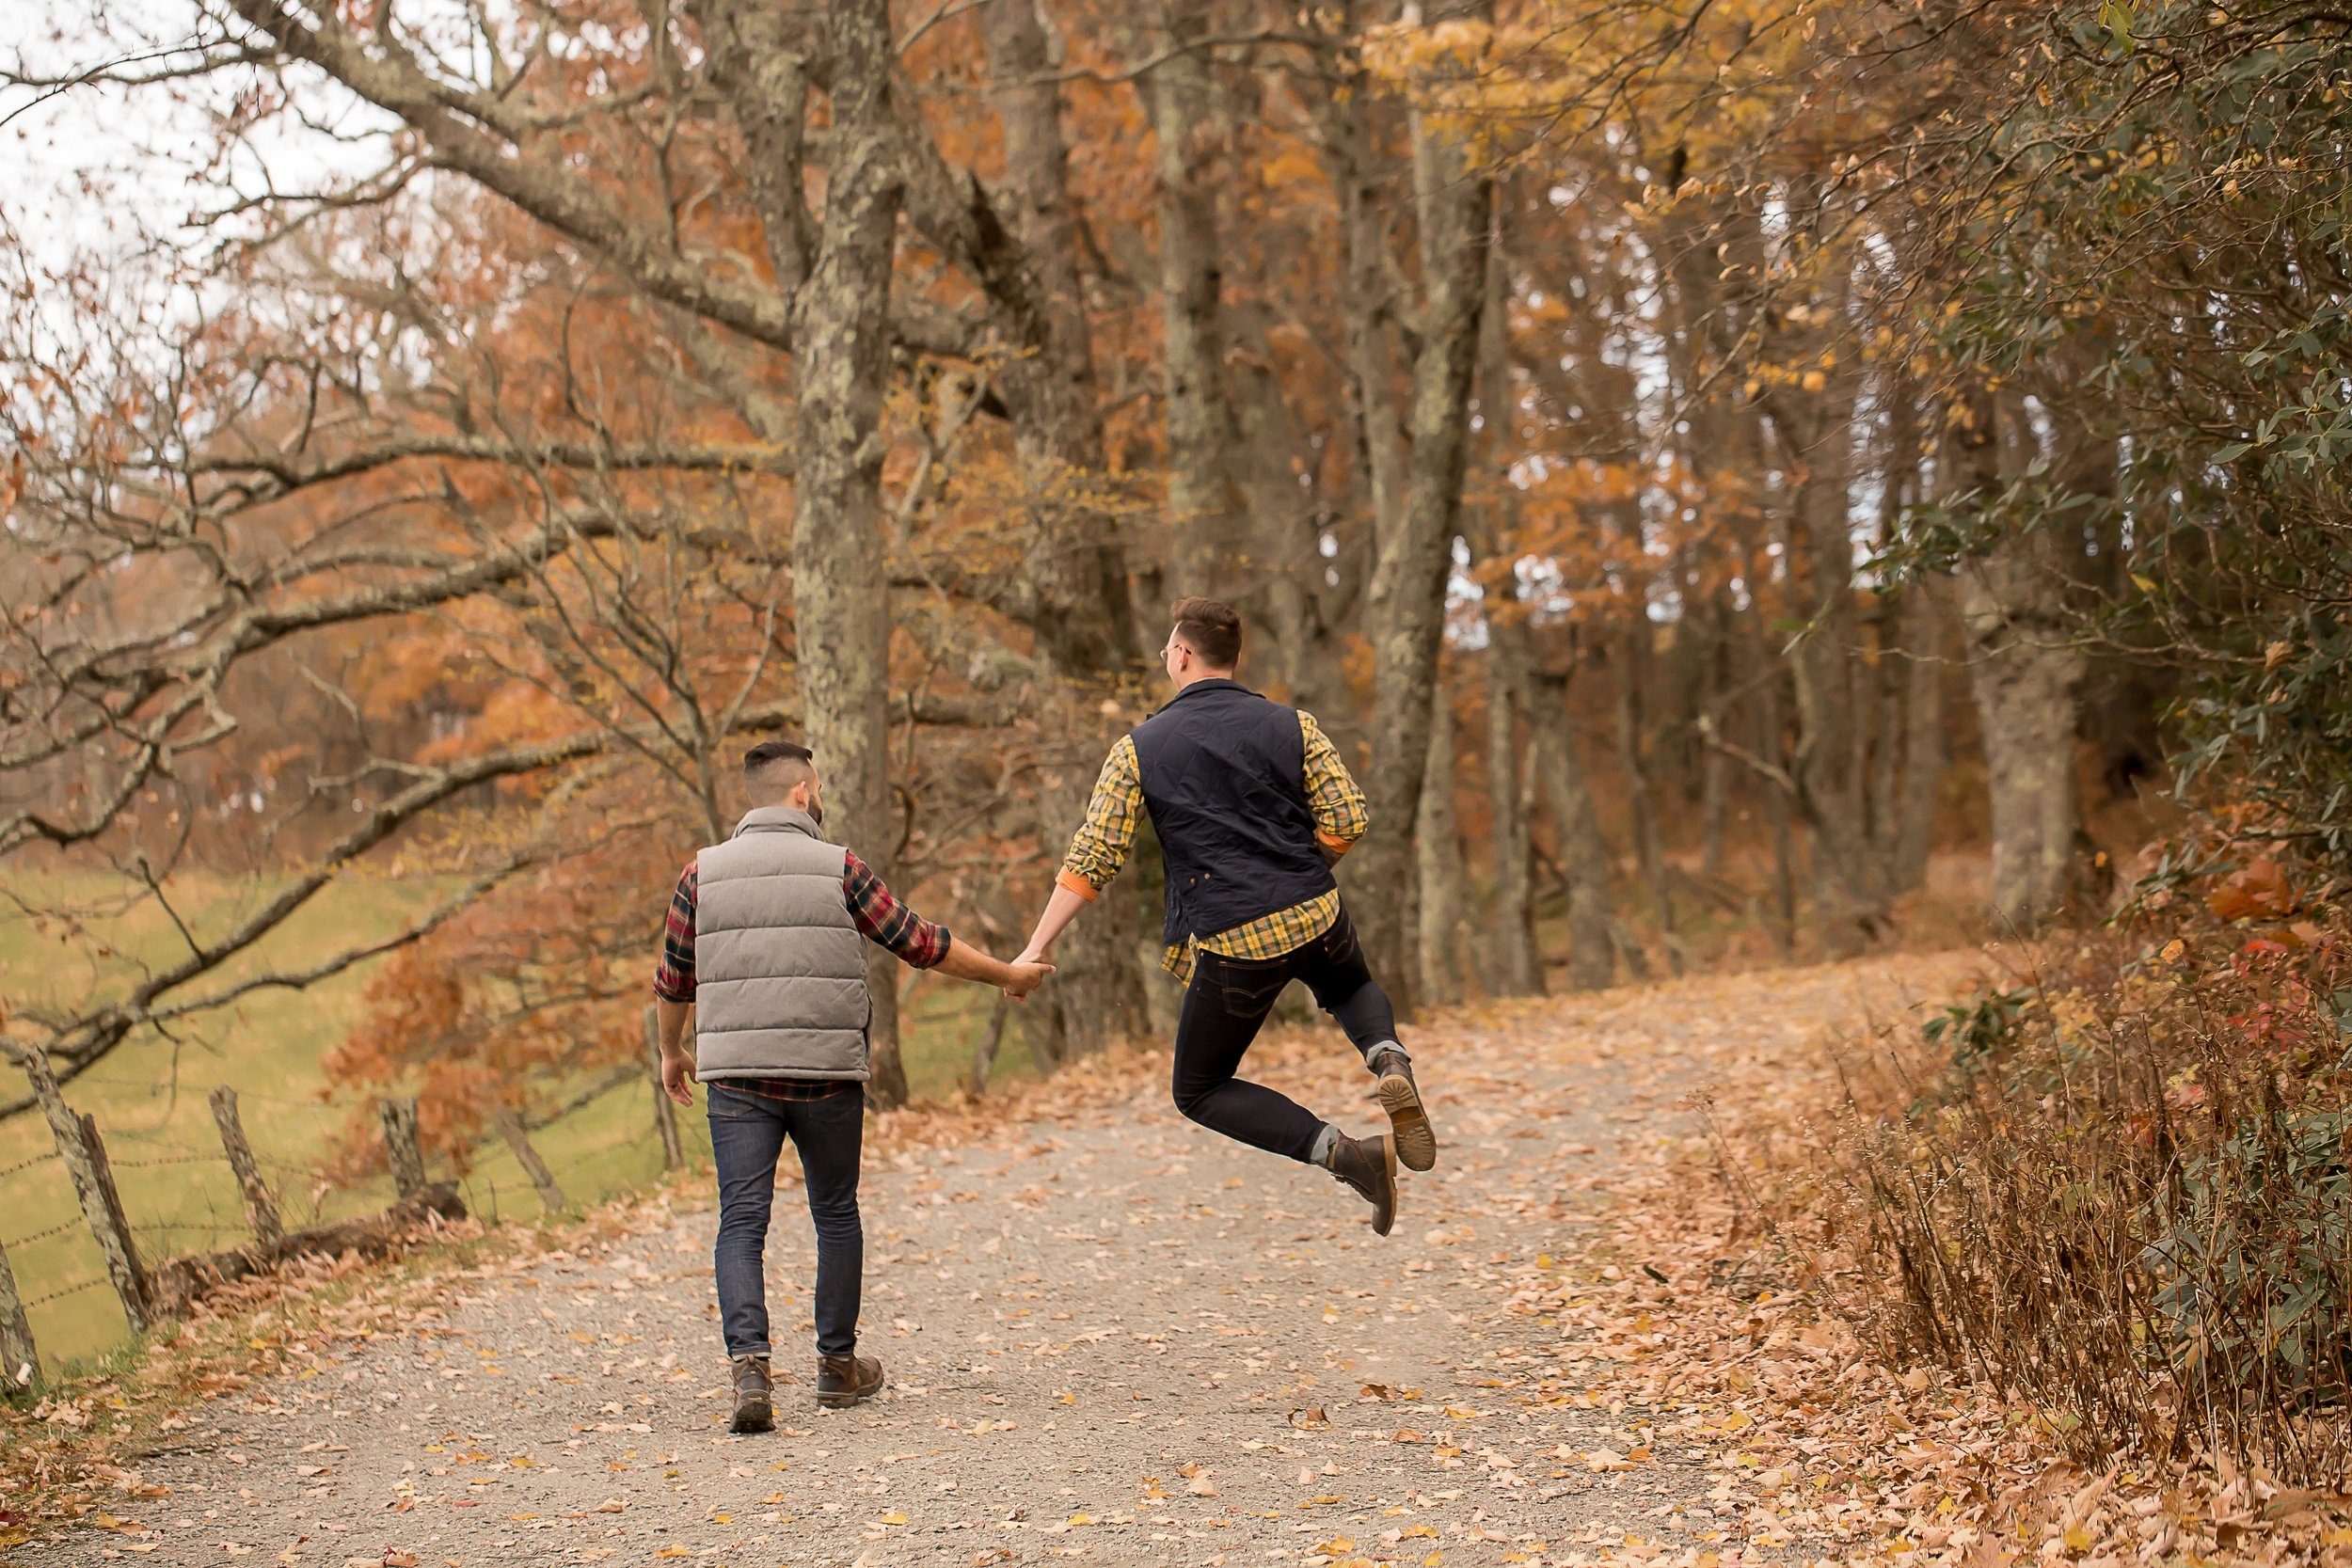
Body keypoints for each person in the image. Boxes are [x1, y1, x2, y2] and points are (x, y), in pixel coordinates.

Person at [653, 739, 1052, 1433]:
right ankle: (837, 1367)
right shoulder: (841, 867)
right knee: (835, 1211)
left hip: (738, 1078)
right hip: (827, 1074)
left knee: (741, 1222)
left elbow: (672, 977)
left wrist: (669, 1049)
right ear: (803, 792)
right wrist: (1008, 974)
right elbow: (920, 942)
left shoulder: (701, 873)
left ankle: (751, 1370)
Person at [1013, 597, 1437, 1236]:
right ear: (1234, 659)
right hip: (1315, 908)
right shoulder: (1292, 723)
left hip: (1236, 939)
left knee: (1201, 1089)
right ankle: (1388, 1060)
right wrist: (1300, 868)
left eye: (1167, 650)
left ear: (1181, 655)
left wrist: (1036, 946)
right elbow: (1350, 816)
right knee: (1349, 984)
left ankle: (1351, 1156)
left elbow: (1094, 857)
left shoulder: (1137, 749)